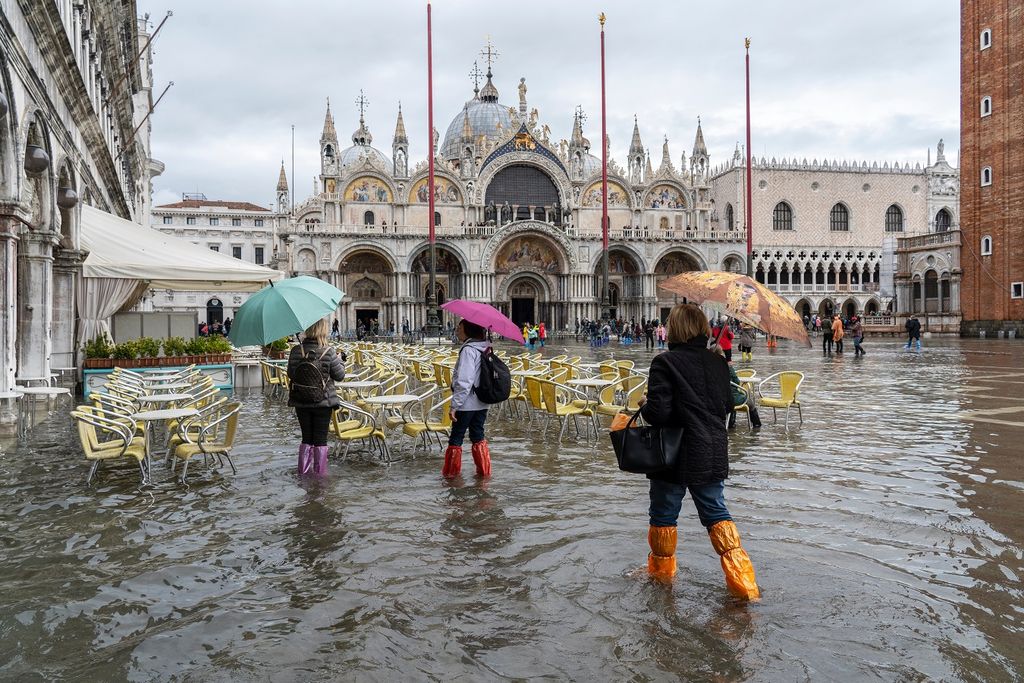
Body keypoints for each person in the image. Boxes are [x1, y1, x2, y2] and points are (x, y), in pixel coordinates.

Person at [636, 304, 760, 599]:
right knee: (717, 512)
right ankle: (744, 585)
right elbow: (728, 406)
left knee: (664, 515)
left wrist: (645, 403)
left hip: (673, 453)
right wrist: (719, 370)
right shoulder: (719, 362)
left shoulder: (664, 363)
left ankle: (661, 579)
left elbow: (660, 414)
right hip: (711, 450)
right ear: (704, 329)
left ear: (675, 330)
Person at [288, 316, 345, 476]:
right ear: (323, 331)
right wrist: (340, 361)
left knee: (306, 438)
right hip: (323, 402)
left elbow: (291, 374)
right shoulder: (328, 351)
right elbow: (339, 376)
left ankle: (303, 474)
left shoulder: (296, 350)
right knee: (320, 440)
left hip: (301, 401)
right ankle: (319, 477)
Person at [443, 319, 492, 479]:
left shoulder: (468, 350)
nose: (457, 331)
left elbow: (464, 381)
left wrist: (454, 406)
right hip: (482, 402)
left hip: (466, 404)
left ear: (468, 330)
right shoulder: (486, 347)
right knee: (478, 435)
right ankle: (484, 475)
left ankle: (451, 476)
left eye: (460, 328)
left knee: (456, 438)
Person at [727, 359, 762, 429]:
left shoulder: (711, 368)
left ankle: (730, 424)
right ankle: (757, 425)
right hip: (732, 399)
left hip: (719, 399)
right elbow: (736, 381)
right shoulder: (728, 367)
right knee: (750, 403)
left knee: (732, 402)